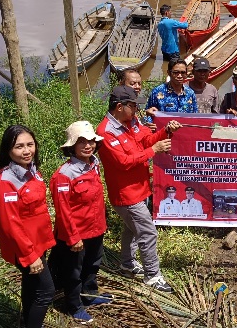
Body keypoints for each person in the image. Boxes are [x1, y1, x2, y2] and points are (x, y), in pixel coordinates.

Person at [96, 85, 183, 292]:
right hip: (126, 194)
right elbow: (124, 162)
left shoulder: (131, 121)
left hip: (141, 188)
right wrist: (153, 151)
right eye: (133, 106)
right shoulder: (105, 133)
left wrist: (165, 131)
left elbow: (146, 139)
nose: (137, 110)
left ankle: (126, 263)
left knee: (132, 230)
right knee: (148, 233)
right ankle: (152, 276)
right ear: (119, 107)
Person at [0, 125, 55, 328]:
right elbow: (10, 223)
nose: (26, 151)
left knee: (31, 286)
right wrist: (30, 255)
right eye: (19, 147)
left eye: (30, 144)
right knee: (46, 291)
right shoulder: (4, 182)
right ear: (8, 150)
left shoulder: (32, 171)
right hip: (25, 247)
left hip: (38, 241)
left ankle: (27, 322)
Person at [47, 121, 109, 323]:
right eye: (81, 142)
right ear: (72, 146)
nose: (88, 146)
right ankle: (74, 306)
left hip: (96, 228)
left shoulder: (94, 164)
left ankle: (89, 296)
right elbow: (63, 211)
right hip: (76, 234)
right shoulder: (64, 175)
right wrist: (74, 238)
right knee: (73, 272)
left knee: (92, 265)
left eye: (91, 141)